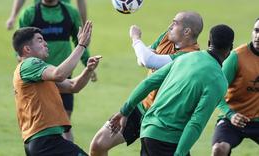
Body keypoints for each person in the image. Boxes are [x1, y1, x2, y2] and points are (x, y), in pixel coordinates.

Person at [109, 24, 234, 156]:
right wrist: (180, 153)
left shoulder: (186, 57)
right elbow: (196, 122)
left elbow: (149, 83)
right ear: (230, 49)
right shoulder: (219, 82)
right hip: (168, 139)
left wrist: (125, 111)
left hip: (148, 129)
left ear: (209, 42)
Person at [89, 11, 203, 156]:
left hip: (162, 119)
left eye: (175, 23)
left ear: (187, 31)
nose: (170, 26)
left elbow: (147, 60)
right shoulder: (168, 37)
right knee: (98, 145)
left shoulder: (189, 56)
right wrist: (146, 56)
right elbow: (142, 59)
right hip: (142, 106)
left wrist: (136, 38)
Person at [18, 0, 93, 141]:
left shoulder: (71, 12)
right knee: (42, 124)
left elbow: (78, 40)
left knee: (64, 121)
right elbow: (20, 48)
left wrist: (87, 63)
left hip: (63, 73)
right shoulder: (29, 14)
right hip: (39, 76)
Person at [12, 22, 101, 156]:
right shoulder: (29, 64)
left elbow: (72, 86)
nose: (46, 44)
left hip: (44, 142)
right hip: (45, 142)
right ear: (27, 49)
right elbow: (59, 74)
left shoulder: (37, 73)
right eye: (40, 40)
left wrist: (88, 70)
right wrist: (81, 45)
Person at [211, 19, 259, 156]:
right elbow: (215, 93)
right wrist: (230, 114)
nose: (258, 36)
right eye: (256, 31)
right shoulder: (236, 57)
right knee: (219, 149)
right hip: (232, 119)